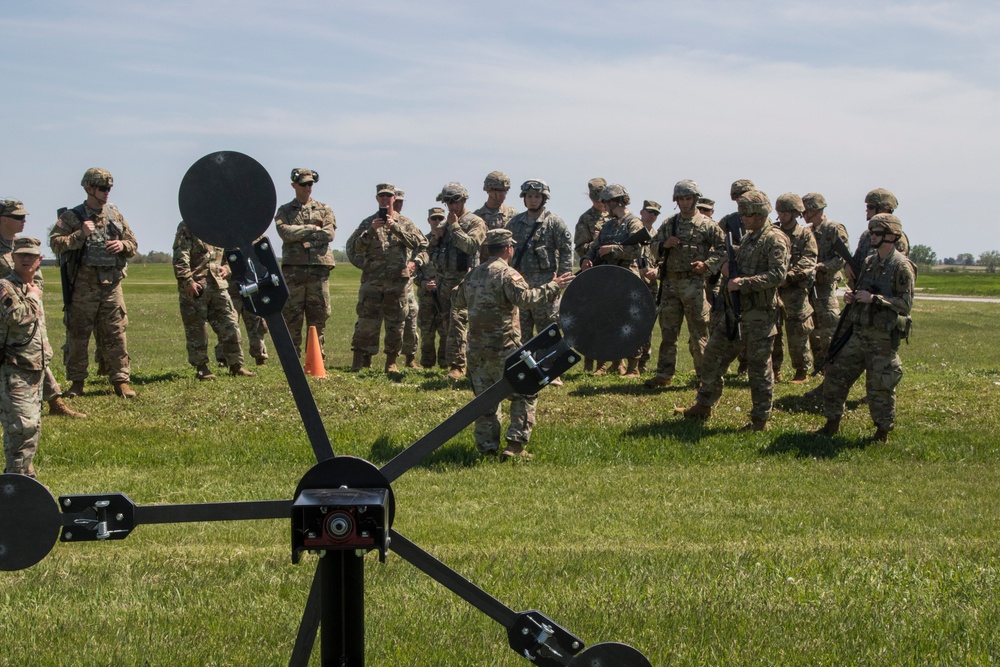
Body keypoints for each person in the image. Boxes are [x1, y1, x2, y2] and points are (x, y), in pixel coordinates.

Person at [451, 228, 574, 459]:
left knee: (484, 401)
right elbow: (525, 300)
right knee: (525, 392)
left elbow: (456, 300)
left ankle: (487, 448)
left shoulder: (474, 275)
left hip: (476, 351)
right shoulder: (508, 274)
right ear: (508, 248)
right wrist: (554, 285)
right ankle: (515, 445)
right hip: (503, 348)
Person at [676, 190, 789, 431]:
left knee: (759, 371)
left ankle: (760, 420)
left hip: (759, 314)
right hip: (733, 313)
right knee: (712, 358)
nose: (743, 219)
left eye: (747, 214)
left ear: (760, 214)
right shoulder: (750, 237)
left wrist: (743, 282)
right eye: (742, 214)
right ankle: (703, 405)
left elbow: (778, 275)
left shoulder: (774, 239)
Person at [813, 214, 914, 442]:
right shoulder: (869, 262)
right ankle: (831, 424)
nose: (871, 237)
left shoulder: (901, 266)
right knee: (836, 376)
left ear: (891, 235)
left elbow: (905, 304)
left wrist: (875, 299)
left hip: (882, 337)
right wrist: (854, 297)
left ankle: (882, 432)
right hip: (859, 333)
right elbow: (862, 290)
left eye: (876, 233)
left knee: (880, 387)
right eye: (871, 233)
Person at [49, 167, 138, 398]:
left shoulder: (114, 215)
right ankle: (77, 383)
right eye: (102, 188)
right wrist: (80, 234)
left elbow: (133, 243)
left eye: (109, 188)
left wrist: (123, 246)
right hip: (82, 288)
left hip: (111, 285)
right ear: (89, 188)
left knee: (116, 333)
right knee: (78, 335)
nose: (106, 192)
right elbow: (55, 243)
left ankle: (121, 380)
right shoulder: (72, 216)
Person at [0, 199, 84, 418]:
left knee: (35, 352)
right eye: (18, 217)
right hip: (7, 312)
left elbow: (37, 279)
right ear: (4, 219)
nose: (24, 220)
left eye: (24, 216)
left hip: (29, 308)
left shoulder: (22, 245)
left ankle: (55, 402)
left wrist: (33, 296)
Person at [645, 180, 724, 388]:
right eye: (680, 199)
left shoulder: (707, 225)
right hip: (670, 282)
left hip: (694, 284)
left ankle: (703, 376)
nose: (684, 203)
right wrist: (663, 245)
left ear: (695, 199)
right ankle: (664, 374)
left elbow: (724, 249)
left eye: (688, 198)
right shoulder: (669, 223)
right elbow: (651, 247)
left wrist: (707, 265)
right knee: (668, 332)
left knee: (699, 332)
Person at [345, 183, 428, 373]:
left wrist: (396, 228)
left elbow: (419, 243)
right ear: (377, 199)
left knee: (396, 323)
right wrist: (371, 231)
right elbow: (356, 248)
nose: (385, 199)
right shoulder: (368, 222)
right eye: (381, 196)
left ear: (394, 199)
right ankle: (359, 360)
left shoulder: (405, 222)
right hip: (372, 282)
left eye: (388, 196)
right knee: (366, 321)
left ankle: (391, 362)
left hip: (397, 283)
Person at [172, 221, 254, 380]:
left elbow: (232, 254)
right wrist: (187, 281)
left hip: (218, 285)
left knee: (230, 324)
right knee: (197, 330)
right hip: (196, 286)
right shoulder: (188, 226)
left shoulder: (220, 226)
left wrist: (228, 268)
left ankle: (236, 365)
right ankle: (202, 368)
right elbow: (180, 256)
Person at [424, 182, 486, 381]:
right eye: (447, 202)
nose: (451, 206)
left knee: (459, 322)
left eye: (455, 202)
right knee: (448, 324)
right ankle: (455, 363)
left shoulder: (475, 222)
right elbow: (429, 253)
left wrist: (455, 227)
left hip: (464, 281)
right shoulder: (444, 225)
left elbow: (471, 246)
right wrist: (435, 238)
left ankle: (458, 367)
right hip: (444, 281)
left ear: (463, 200)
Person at [581, 184, 646, 375]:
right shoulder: (608, 225)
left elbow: (637, 250)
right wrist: (587, 258)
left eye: (606, 203)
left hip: (627, 277)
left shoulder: (633, 223)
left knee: (629, 322)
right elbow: (595, 245)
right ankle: (608, 364)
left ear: (614, 201)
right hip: (607, 278)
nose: (604, 207)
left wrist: (613, 249)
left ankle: (633, 367)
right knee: (606, 320)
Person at [0, 238, 51, 477]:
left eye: (31, 256)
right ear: (13, 258)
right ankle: (15, 480)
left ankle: (24, 476)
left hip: (35, 368)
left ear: (39, 260)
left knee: (32, 427)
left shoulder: (33, 286)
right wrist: (32, 297)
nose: (26, 259)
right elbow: (16, 317)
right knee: (21, 426)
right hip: (14, 367)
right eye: (21, 255)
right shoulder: (5, 286)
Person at [275, 168, 337, 359]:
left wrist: (300, 235)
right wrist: (310, 228)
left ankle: (317, 359)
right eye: (303, 184)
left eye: (310, 184)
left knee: (318, 316)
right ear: (294, 185)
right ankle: (292, 360)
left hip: (318, 270)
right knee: (292, 316)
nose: (308, 188)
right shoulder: (285, 211)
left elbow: (329, 234)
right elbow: (284, 232)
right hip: (294, 271)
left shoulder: (324, 209)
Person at [506, 179, 573, 344]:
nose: (533, 200)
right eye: (529, 196)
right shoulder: (515, 223)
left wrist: (563, 278)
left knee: (548, 330)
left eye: (536, 196)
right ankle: (525, 367)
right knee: (521, 331)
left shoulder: (554, 222)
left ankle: (551, 365)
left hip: (546, 282)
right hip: (520, 282)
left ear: (544, 198)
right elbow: (506, 250)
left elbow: (566, 249)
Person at [772, 193, 817, 384]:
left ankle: (802, 371)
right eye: (780, 212)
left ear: (795, 213)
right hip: (774, 290)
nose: (782, 216)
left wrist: (789, 276)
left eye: (786, 212)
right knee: (773, 332)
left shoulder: (805, 235)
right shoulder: (773, 233)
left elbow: (809, 260)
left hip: (796, 291)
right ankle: (774, 369)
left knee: (798, 332)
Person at [801, 192, 849, 371]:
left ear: (814, 210)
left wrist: (820, 266)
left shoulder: (834, 228)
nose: (803, 216)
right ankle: (820, 366)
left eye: (805, 212)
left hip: (826, 286)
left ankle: (835, 366)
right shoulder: (807, 231)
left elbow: (842, 258)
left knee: (829, 327)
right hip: (810, 287)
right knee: (813, 330)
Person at [573, 177, 609, 372]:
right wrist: (595, 247)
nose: (600, 204)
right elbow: (579, 247)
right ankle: (589, 362)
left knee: (609, 317)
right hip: (592, 271)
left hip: (612, 272)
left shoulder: (615, 217)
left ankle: (607, 364)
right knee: (591, 318)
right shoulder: (585, 219)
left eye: (602, 199)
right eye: (596, 200)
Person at [846, 188, 910, 285]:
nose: (867, 210)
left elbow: (896, 268)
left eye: (870, 207)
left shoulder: (896, 237)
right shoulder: (866, 235)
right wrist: (847, 265)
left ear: (883, 209)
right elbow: (857, 260)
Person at [415, 207, 448, 368]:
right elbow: (414, 271)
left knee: (446, 332)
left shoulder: (450, 242)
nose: (437, 222)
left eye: (440, 218)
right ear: (429, 221)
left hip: (444, 296)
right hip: (426, 297)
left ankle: (444, 365)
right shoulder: (423, 244)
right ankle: (427, 365)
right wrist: (423, 283)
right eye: (434, 218)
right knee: (427, 333)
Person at [394, 188, 421, 368]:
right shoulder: (373, 222)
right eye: (396, 200)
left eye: (401, 201)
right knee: (371, 320)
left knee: (410, 318)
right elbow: (353, 248)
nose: (398, 204)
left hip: (405, 283)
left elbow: (422, 246)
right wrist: (367, 265)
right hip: (379, 281)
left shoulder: (407, 224)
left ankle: (410, 358)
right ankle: (365, 359)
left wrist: (416, 262)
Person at [635, 200, 662, 376]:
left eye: (655, 213)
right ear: (641, 212)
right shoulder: (633, 232)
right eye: (649, 212)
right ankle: (626, 362)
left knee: (647, 326)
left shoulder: (659, 237)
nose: (651, 215)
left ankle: (643, 362)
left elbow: (663, 261)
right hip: (633, 285)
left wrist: (656, 271)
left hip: (650, 287)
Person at [474, 171, 519, 262]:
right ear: (489, 190)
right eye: (499, 190)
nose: (502, 194)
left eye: (505, 190)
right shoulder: (477, 216)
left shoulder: (512, 214)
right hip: (484, 267)